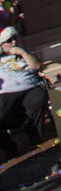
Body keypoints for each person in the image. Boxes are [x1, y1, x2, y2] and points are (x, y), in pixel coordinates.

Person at [0, 25, 47, 159]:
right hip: (7, 92)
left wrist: (23, 53)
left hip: (30, 86)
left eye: (15, 38)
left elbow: (37, 66)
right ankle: (9, 147)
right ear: (2, 45)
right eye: (9, 40)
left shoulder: (25, 53)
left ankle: (36, 138)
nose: (13, 42)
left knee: (38, 99)